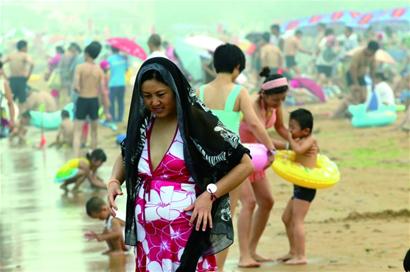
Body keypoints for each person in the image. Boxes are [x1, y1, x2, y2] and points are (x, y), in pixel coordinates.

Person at [106, 57, 253, 272]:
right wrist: (114, 180)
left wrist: (209, 194)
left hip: (186, 237)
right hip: (150, 242)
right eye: (147, 96)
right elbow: (126, 154)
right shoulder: (144, 125)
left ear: (175, 91)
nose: (154, 102)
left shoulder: (197, 123)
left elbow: (245, 164)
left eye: (160, 95)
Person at [197, 43, 276, 271]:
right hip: (230, 163)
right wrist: (270, 147)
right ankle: (217, 269)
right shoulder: (239, 92)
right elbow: (253, 123)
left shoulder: (200, 91)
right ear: (237, 67)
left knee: (203, 217)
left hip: (203, 161)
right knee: (224, 219)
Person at [237, 69, 289, 268]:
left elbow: (281, 128)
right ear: (264, 94)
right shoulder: (251, 104)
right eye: (276, 100)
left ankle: (252, 250)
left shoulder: (275, 105)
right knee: (248, 203)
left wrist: (297, 141)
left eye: (282, 99)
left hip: (258, 158)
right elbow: (261, 134)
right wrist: (291, 148)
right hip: (241, 159)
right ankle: (243, 256)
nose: (279, 104)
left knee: (267, 201)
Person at [277, 108, 318, 265]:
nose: (290, 130)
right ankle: (293, 251)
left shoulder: (310, 140)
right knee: (286, 218)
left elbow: (298, 150)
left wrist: (288, 138)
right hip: (298, 186)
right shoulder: (301, 140)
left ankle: (301, 256)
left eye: (293, 127)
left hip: (306, 187)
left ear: (306, 130)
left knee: (298, 220)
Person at [72, 41, 110, 157]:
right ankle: (94, 157)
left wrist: (80, 88)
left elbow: (75, 87)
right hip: (94, 102)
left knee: (77, 132)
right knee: (94, 132)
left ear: (87, 53)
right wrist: (107, 111)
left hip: (82, 100)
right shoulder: (99, 70)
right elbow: (103, 92)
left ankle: (76, 158)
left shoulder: (80, 67)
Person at [332, 41, 380, 118]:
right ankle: (337, 114)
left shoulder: (372, 56)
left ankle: (349, 112)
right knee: (355, 96)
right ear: (368, 49)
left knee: (363, 98)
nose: (373, 54)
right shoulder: (358, 54)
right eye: (373, 52)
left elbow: (372, 70)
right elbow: (352, 69)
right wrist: (356, 84)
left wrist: (373, 83)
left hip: (361, 77)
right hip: (352, 76)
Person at [3, 40, 34, 108]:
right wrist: (28, 76)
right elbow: (32, 64)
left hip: (12, 80)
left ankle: (11, 116)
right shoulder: (25, 55)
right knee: (22, 101)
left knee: (10, 100)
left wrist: (5, 76)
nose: (27, 49)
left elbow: (1, 64)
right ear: (23, 47)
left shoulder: (11, 55)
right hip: (21, 80)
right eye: (26, 47)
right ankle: (20, 115)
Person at [107, 47, 128, 123]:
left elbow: (107, 71)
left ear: (111, 50)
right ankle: (120, 118)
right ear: (119, 49)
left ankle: (113, 118)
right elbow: (126, 69)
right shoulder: (124, 58)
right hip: (122, 83)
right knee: (120, 101)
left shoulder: (109, 59)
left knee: (111, 102)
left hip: (112, 84)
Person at [0, 61, 16, 135]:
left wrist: (12, 120)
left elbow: (10, 103)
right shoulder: (3, 83)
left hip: (2, 117)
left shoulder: (3, 84)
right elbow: (10, 103)